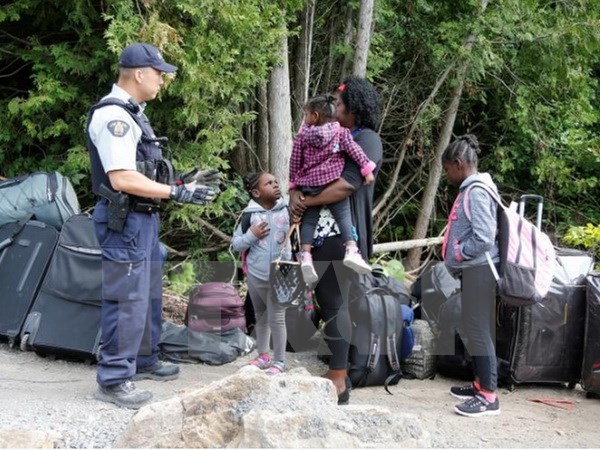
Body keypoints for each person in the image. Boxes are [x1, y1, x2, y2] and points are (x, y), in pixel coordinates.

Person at [86, 42, 220, 409]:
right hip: (125, 221)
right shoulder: (113, 116)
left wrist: (181, 182)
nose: (163, 80)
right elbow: (122, 178)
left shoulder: (134, 114)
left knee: (146, 296)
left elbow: (145, 169)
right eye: (159, 73)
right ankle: (114, 378)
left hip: (142, 220)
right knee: (125, 300)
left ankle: (142, 359)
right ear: (139, 73)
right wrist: (176, 194)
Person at [289, 76, 383, 404]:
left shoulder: (367, 140)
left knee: (334, 302)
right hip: (323, 232)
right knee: (329, 301)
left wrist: (306, 202)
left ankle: (339, 377)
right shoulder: (331, 136)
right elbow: (305, 171)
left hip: (342, 234)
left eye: (340, 105)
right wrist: (297, 193)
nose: (335, 110)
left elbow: (348, 184)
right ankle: (339, 369)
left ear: (354, 109)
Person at [441, 134, 501, 417]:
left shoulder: (476, 191)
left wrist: (459, 251)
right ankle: (480, 384)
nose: (447, 175)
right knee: (473, 325)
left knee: (479, 328)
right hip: (473, 269)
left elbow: (485, 237)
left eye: (447, 169)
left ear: (458, 163)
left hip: (480, 268)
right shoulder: (471, 189)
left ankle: (489, 397)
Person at [289, 94, 375, 285]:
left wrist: (293, 186)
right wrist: (366, 169)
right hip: (331, 181)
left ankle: (305, 256)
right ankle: (351, 249)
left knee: (309, 221)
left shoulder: (302, 137)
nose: (304, 118)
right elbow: (355, 151)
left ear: (315, 116)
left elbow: (295, 161)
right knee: (343, 216)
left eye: (306, 114)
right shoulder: (341, 132)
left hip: (310, 186)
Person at [231, 172, 291, 375]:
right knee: (261, 315)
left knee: (278, 317)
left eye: (276, 181)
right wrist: (251, 235)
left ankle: (280, 361)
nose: (275, 185)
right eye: (269, 183)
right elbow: (236, 244)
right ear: (256, 192)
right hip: (256, 273)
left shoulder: (288, 210)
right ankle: (263, 356)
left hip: (282, 272)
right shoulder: (249, 215)